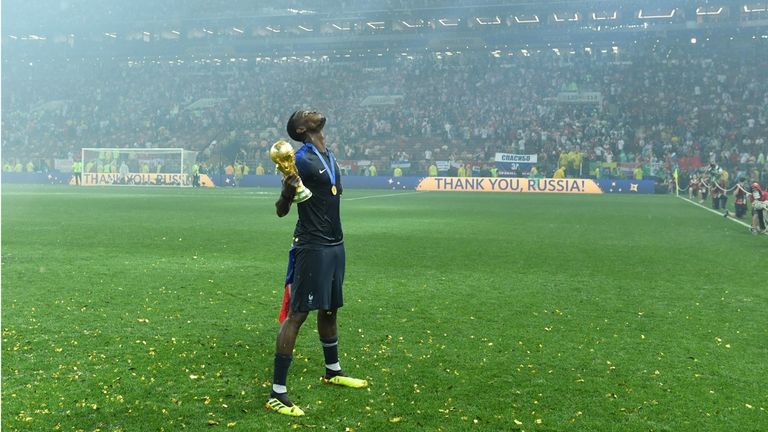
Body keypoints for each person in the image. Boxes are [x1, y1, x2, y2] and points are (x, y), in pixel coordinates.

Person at [267, 110, 367, 417]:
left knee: (330, 307)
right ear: (301, 128)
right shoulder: (301, 160)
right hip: (312, 246)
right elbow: (282, 210)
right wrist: (287, 191)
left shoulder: (328, 154)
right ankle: (277, 393)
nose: (314, 112)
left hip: (335, 244)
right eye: (306, 113)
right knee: (297, 315)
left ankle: (333, 371)